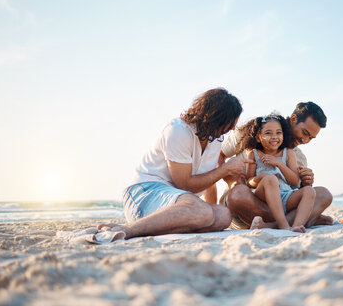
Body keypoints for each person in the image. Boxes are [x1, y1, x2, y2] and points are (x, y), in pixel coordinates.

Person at [99, 88, 253, 238]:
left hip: (179, 202)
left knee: (222, 216)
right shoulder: (178, 130)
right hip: (145, 192)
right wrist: (225, 170)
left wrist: (211, 215)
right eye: (230, 123)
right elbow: (184, 184)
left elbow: (209, 180)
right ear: (216, 118)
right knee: (204, 213)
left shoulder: (216, 139)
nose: (233, 128)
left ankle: (164, 225)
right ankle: (129, 229)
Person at [220, 101, 333, 228]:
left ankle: (273, 225)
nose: (305, 141)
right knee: (238, 193)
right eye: (305, 133)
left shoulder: (297, 156)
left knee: (323, 194)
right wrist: (231, 181)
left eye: (311, 138)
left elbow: (295, 189)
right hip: (249, 204)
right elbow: (218, 155)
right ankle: (308, 219)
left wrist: (306, 183)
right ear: (294, 119)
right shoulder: (253, 130)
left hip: (282, 202)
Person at [239, 114, 315, 232]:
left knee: (310, 191)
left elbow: (295, 182)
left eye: (278, 133)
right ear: (258, 137)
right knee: (270, 179)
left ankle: (297, 225)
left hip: (286, 195)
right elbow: (249, 181)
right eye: (268, 133)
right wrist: (260, 178)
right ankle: (284, 225)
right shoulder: (254, 154)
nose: (274, 137)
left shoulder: (288, 153)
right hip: (263, 196)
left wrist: (279, 164)